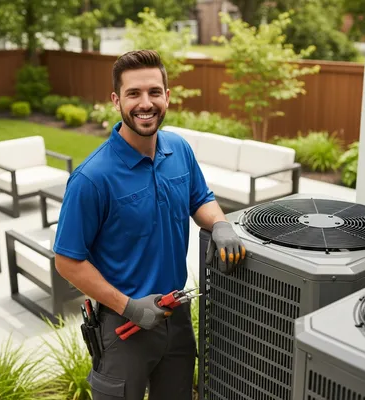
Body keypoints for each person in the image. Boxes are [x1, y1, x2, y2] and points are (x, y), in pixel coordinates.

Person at [53, 49, 246, 400]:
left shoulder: (179, 149)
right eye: (134, 94)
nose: (146, 103)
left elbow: (199, 198)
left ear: (167, 97)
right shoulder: (92, 178)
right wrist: (129, 306)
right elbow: (67, 261)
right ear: (116, 101)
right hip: (123, 326)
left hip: (178, 318)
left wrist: (219, 223)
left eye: (154, 92)